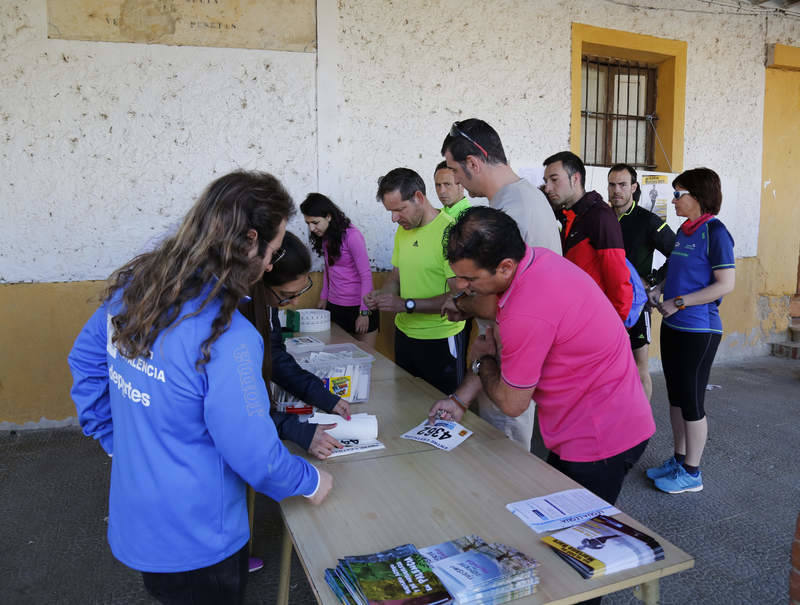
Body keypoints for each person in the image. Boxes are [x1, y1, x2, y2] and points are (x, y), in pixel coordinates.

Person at [68, 171, 333, 604]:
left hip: (142, 524)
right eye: (274, 247)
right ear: (249, 240)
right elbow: (254, 454)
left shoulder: (138, 291)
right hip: (201, 541)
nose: (271, 263)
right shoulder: (227, 336)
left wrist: (114, 439)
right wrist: (308, 480)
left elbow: (85, 362)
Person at [428, 207, 654, 510]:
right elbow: (488, 306)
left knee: (577, 537)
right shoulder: (534, 260)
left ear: (505, 266)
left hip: (600, 438)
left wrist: (482, 363)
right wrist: (459, 399)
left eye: (469, 279)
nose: (461, 287)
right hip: (596, 422)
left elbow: (512, 403)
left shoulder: (526, 312)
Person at [439, 118, 561, 449]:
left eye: (456, 171)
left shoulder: (513, 211)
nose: (457, 182)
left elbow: (505, 300)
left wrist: (462, 302)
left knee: (504, 453)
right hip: (503, 354)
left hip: (511, 360)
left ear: (474, 163)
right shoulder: (521, 200)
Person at [646, 168, 735, 495]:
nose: (674, 200)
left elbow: (725, 284)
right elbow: (678, 268)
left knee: (693, 401)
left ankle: (692, 473)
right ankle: (679, 460)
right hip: (673, 324)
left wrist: (680, 302)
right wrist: (659, 290)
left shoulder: (716, 233)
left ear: (698, 197)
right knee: (677, 398)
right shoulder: (685, 230)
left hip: (700, 330)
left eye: (679, 194)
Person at [240, 231, 350, 461]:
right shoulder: (231, 318)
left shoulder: (266, 305)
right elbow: (232, 409)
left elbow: (275, 357)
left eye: (300, 292)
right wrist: (291, 428)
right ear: (261, 277)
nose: (295, 302)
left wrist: (319, 394)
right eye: (286, 295)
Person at [365, 167, 467, 395]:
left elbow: (458, 297)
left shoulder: (449, 233)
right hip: (405, 336)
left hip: (440, 339)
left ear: (419, 197)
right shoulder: (404, 230)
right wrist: (383, 294)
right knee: (406, 406)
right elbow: (395, 277)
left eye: (399, 209)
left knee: (443, 414)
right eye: (390, 211)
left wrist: (405, 304)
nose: (394, 218)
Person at [608, 164, 676, 400]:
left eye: (622, 185)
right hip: (605, 306)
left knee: (639, 368)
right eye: (612, 184)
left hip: (636, 306)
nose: (616, 190)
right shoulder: (602, 219)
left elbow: (677, 253)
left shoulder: (647, 220)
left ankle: (641, 426)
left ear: (633, 187)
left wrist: (654, 281)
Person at [543, 151, 632, 323]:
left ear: (575, 178)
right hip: (573, 316)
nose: (548, 188)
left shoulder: (600, 216)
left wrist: (616, 324)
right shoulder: (567, 215)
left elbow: (618, 277)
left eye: (554, 180)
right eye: (546, 181)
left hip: (597, 321)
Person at [300, 193, 378, 349]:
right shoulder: (326, 237)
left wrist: (364, 313)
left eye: (315, 222)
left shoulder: (352, 236)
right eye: (308, 223)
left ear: (328, 217)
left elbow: (366, 275)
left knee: (364, 360)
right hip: (335, 307)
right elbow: (329, 270)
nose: (311, 228)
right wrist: (324, 297)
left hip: (359, 307)